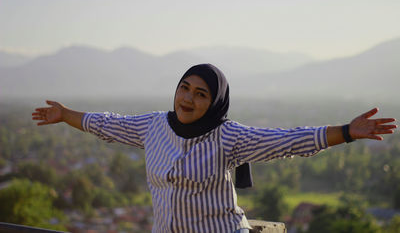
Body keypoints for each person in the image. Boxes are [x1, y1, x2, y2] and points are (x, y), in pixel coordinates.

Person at [32, 64, 397, 233]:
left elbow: (288, 141)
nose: (188, 98)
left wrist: (347, 131)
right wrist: (65, 115)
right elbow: (106, 124)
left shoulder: (228, 137)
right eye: (184, 87)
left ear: (215, 102)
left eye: (200, 93)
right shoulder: (153, 126)